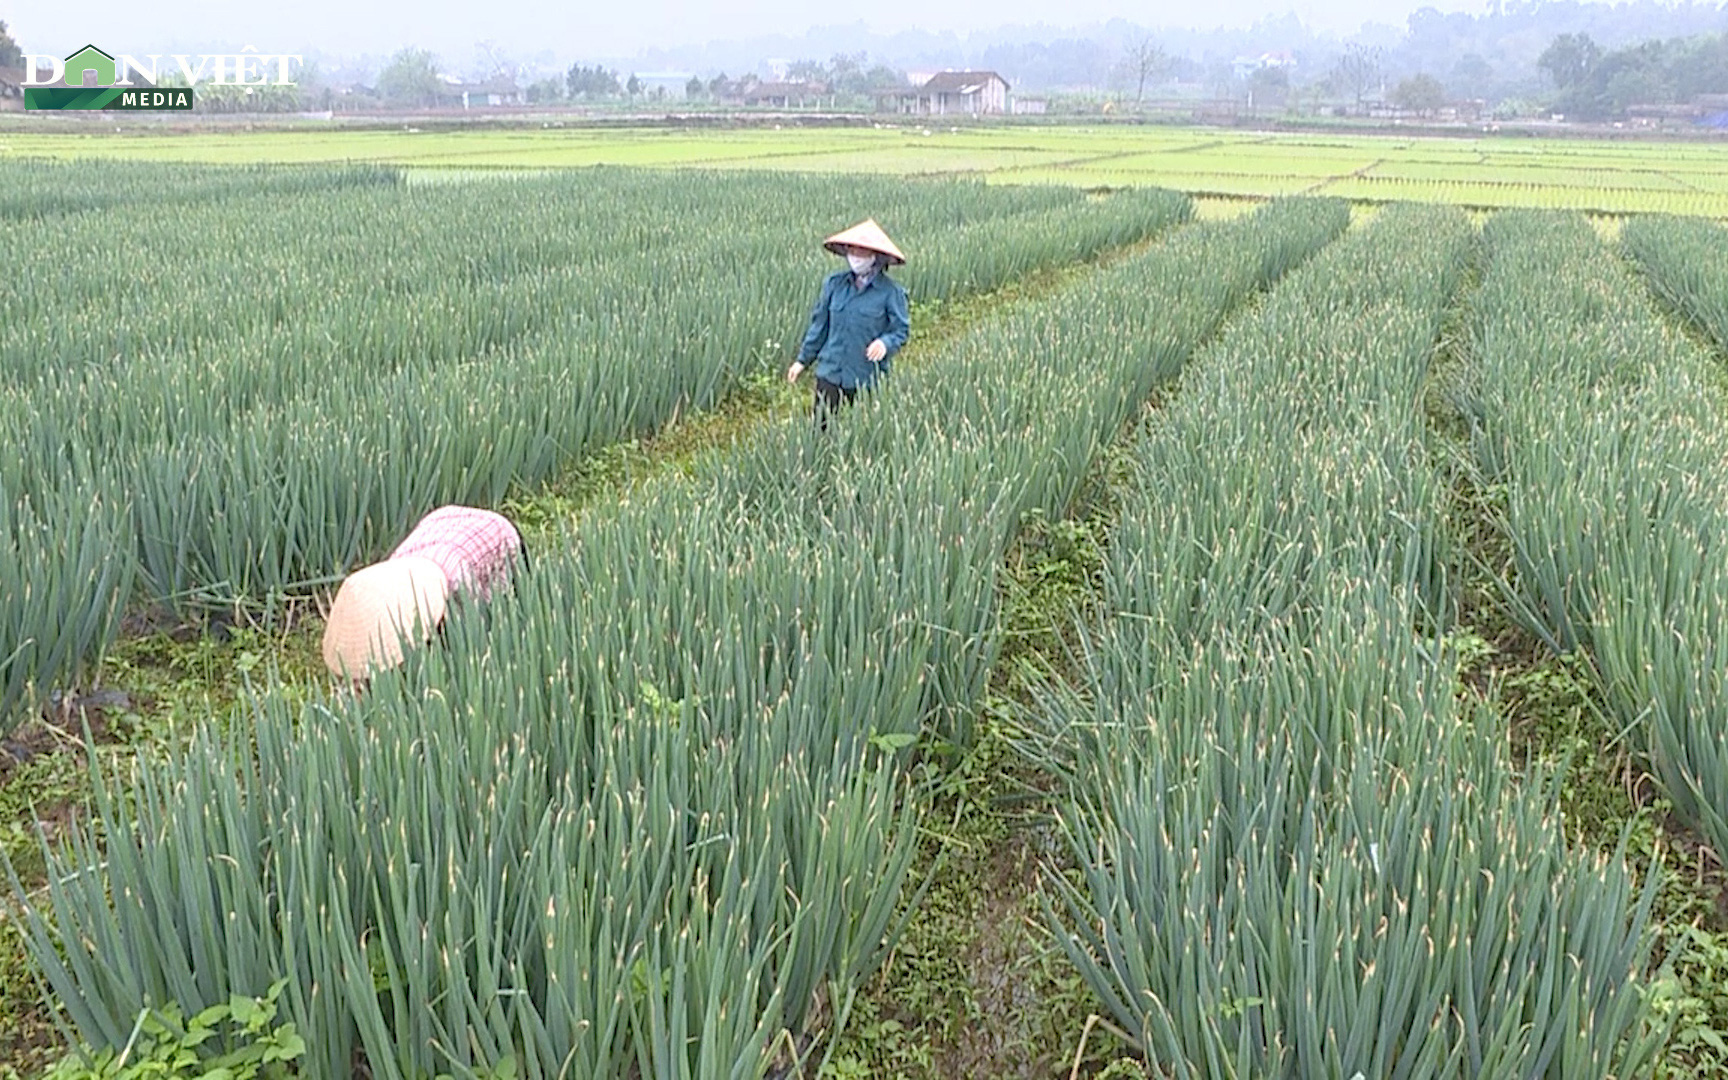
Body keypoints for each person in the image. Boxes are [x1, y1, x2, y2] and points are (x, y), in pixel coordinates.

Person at [321, 505, 525, 680]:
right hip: (440, 522)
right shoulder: (392, 573)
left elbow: (476, 628)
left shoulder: (456, 580)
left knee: (497, 621)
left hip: (493, 533)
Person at [786, 219, 910, 424]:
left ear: (875, 256)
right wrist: (802, 360)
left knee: (861, 430)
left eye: (861, 252)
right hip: (831, 370)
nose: (855, 257)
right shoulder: (834, 284)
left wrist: (884, 343)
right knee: (820, 428)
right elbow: (820, 326)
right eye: (851, 250)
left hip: (865, 375)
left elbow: (900, 330)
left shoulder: (890, 293)